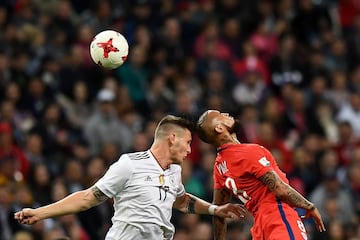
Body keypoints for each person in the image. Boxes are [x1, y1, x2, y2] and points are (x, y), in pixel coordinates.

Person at [15, 115, 245, 240]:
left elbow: (181, 201)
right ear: (172, 138)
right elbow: (88, 197)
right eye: (187, 143)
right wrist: (40, 213)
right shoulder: (129, 164)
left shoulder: (174, 172)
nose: (188, 150)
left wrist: (216, 210)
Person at [196, 110, 326, 240]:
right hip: (278, 216)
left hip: (259, 227)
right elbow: (280, 189)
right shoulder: (248, 152)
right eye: (220, 115)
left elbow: (219, 210)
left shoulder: (219, 167)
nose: (225, 114)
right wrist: (309, 206)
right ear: (219, 128)